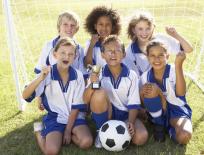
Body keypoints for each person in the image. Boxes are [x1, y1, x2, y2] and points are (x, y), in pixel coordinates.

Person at [22, 38, 93, 155]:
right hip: (55, 117)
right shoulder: (47, 75)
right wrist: (41, 77)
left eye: (71, 54)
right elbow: (25, 95)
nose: (67, 57)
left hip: (74, 117)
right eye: (63, 53)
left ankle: (66, 134)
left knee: (86, 142)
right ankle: (39, 131)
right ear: (55, 54)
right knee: (51, 151)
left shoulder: (78, 76)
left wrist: (68, 131)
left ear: (75, 57)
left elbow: (76, 107)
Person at [83, 35, 148, 148]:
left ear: (124, 54)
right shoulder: (98, 72)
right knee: (99, 92)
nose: (113, 54)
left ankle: (121, 134)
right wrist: (93, 83)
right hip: (107, 112)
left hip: (126, 114)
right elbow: (85, 99)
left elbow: (133, 104)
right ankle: (101, 131)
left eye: (117, 50)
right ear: (103, 55)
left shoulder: (131, 75)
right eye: (109, 51)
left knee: (141, 137)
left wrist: (131, 122)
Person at [140, 41, 192, 144]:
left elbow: (181, 94)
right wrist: (142, 93)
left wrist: (179, 65)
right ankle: (159, 124)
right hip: (157, 110)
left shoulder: (173, 70)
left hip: (176, 109)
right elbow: (142, 102)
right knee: (151, 88)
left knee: (184, 136)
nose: (157, 59)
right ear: (147, 57)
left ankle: (168, 128)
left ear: (167, 56)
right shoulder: (145, 77)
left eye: (160, 55)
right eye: (152, 56)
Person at [35, 11, 88, 110]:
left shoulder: (79, 49)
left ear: (76, 29)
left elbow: (83, 75)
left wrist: (84, 100)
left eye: (73, 25)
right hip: (53, 92)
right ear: (59, 27)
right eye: (65, 24)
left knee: (74, 115)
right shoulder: (48, 46)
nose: (69, 28)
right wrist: (39, 97)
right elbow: (40, 72)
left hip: (73, 91)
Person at [123, 11, 193, 76]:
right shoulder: (130, 51)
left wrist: (175, 35)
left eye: (148, 28)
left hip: (165, 80)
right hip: (146, 86)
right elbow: (133, 77)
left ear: (152, 28)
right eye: (140, 29)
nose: (144, 32)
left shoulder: (160, 39)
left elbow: (188, 49)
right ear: (133, 30)